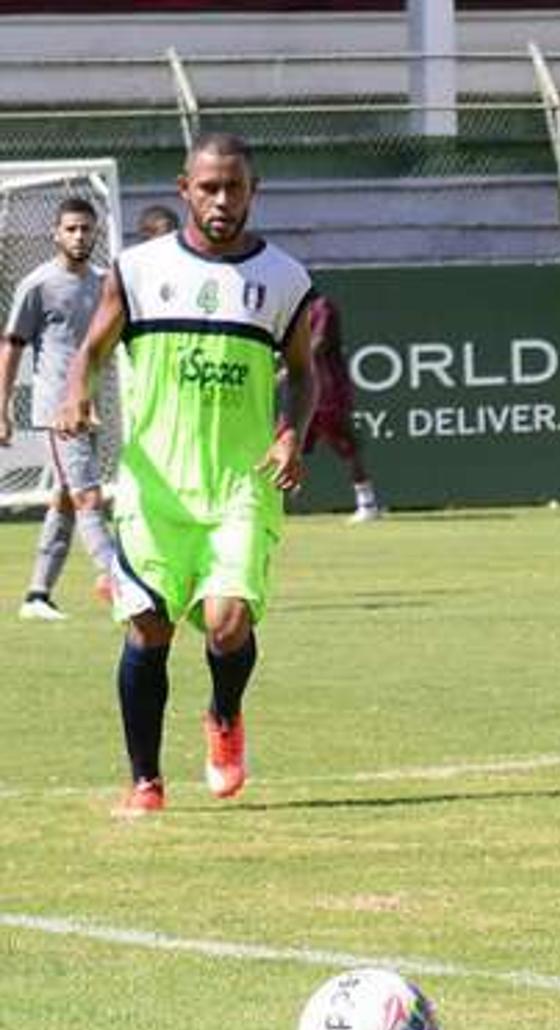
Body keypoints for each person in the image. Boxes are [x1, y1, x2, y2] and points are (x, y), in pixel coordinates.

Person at [58, 131, 315, 818]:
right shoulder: (138, 270)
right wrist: (76, 389)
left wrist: (291, 430)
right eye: (209, 187)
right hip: (154, 488)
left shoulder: (285, 279)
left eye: (234, 187)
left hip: (240, 484)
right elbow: (92, 349)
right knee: (148, 628)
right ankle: (145, 782)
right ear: (184, 189)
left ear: (253, 192)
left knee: (227, 626)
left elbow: (303, 373)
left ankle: (224, 715)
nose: (222, 200)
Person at [0, 197, 115, 621]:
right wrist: (2, 407)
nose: (79, 236)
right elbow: (11, 347)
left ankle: (37, 595)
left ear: (96, 234)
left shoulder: (105, 283)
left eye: (86, 229)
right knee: (88, 494)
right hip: (57, 410)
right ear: (56, 233)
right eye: (71, 229)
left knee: (67, 499)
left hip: (92, 407)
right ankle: (117, 578)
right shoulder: (38, 284)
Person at [300, 292, 383, 522]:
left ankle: (367, 504)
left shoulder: (323, 306)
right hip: (305, 393)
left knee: (345, 445)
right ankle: (263, 503)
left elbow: (319, 344)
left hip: (329, 391)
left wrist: (291, 365)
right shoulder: (299, 313)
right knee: (284, 440)